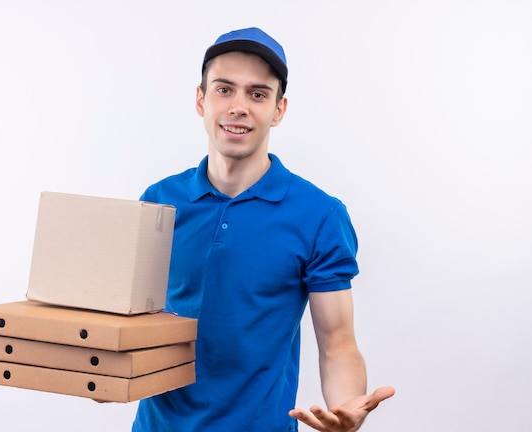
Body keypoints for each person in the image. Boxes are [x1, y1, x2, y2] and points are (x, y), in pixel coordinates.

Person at [131, 27, 394, 432]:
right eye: (224, 89)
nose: (239, 107)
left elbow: (338, 342)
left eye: (257, 94)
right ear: (201, 99)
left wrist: (345, 409)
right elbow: (130, 319)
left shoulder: (319, 215)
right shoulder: (159, 200)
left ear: (278, 109)